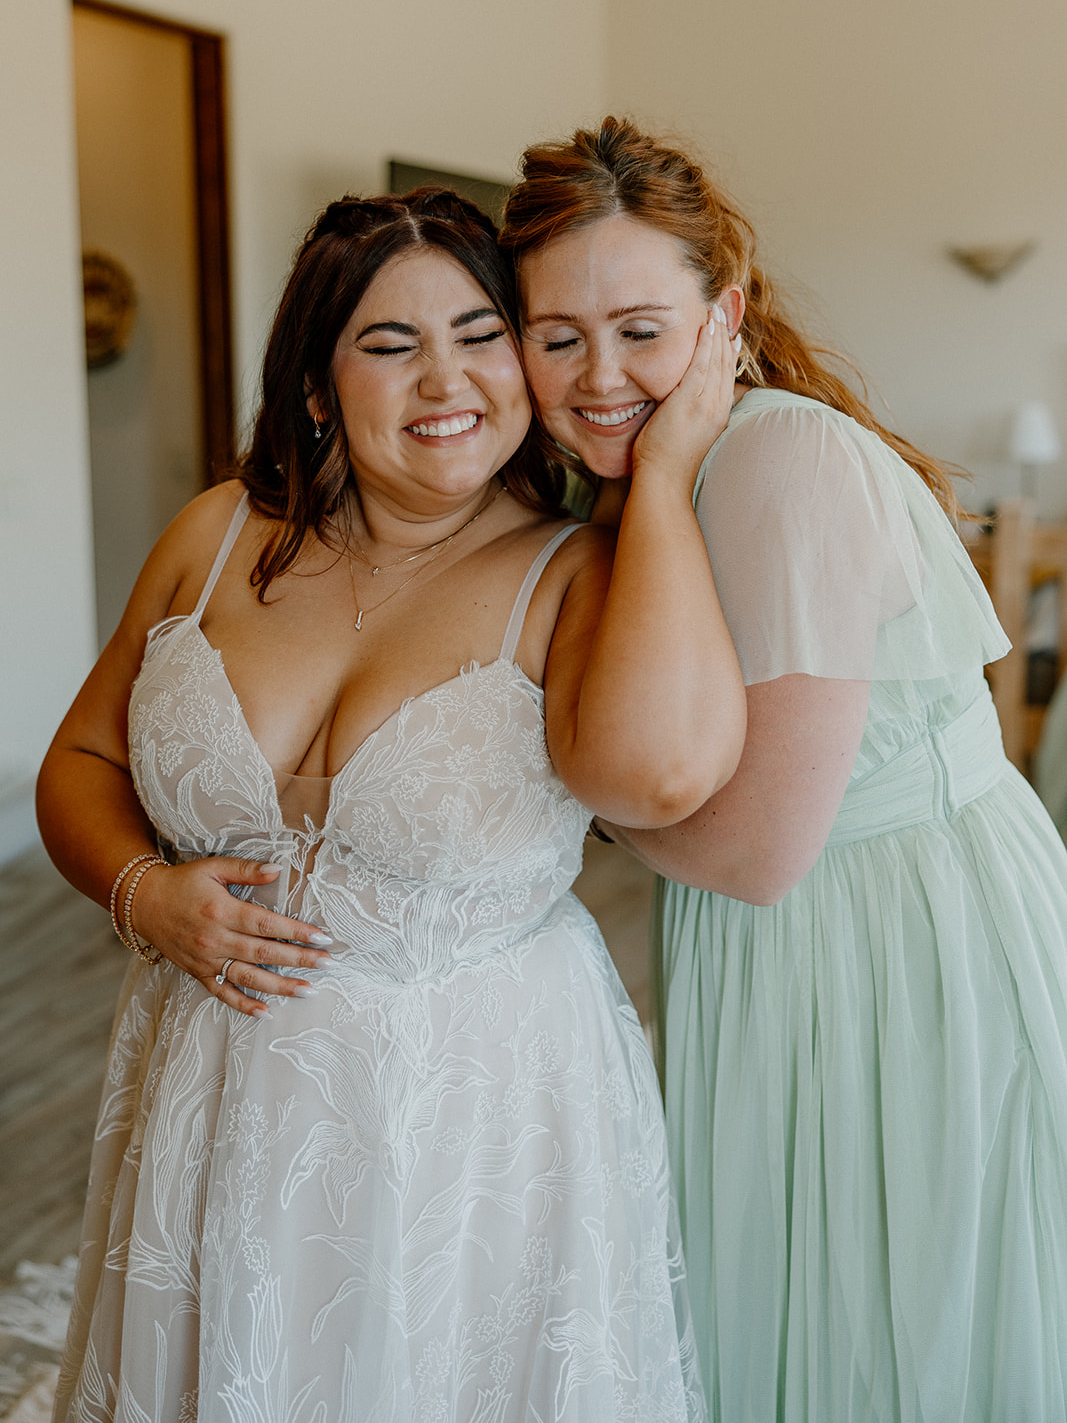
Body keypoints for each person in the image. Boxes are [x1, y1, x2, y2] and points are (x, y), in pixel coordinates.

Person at [38, 186, 747, 1422]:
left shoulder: (574, 572)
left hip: (469, 1122)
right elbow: (81, 766)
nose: (446, 380)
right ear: (317, 384)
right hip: (211, 1089)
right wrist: (142, 892)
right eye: (389, 344)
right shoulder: (212, 535)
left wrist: (668, 475)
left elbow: (660, 777)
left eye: (481, 336)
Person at [501, 118, 1067, 1421]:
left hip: (886, 944)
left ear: (723, 312)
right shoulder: (667, 474)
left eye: (640, 327)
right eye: (556, 335)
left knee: (880, 1319)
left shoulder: (776, 461)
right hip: (801, 935)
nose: (597, 376)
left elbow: (752, 851)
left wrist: (540, 795)